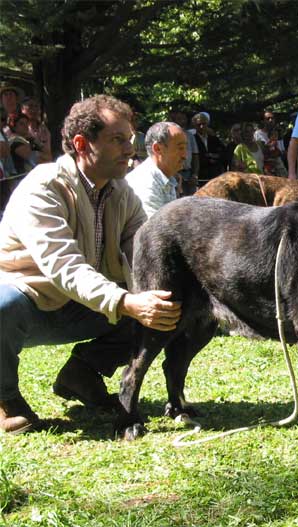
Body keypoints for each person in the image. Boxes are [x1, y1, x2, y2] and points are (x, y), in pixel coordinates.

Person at [0, 95, 181, 435]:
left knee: (159, 306)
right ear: (82, 144)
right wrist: (126, 302)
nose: (130, 149)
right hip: (30, 303)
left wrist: (164, 294)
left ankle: (81, 375)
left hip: (80, 306)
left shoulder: (122, 192)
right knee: (2, 305)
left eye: (131, 140)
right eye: (118, 140)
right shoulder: (42, 187)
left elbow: (144, 250)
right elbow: (63, 265)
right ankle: (5, 399)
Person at [126, 121, 187, 219]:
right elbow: (154, 232)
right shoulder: (145, 183)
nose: (185, 155)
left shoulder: (166, 179)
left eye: (185, 148)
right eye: (180, 148)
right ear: (158, 148)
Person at [168, 108, 199, 196]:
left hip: (188, 174)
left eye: (183, 118)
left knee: (191, 200)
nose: (181, 121)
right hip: (174, 173)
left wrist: (195, 175)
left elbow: (195, 157)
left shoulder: (190, 136)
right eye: (178, 118)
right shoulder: (169, 136)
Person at [191, 111, 226, 188]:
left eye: (204, 124)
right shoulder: (192, 139)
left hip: (215, 175)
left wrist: (213, 157)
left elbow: (223, 154)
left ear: (207, 124)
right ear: (195, 126)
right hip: (201, 176)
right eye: (199, 124)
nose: (201, 126)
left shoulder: (214, 139)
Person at [21, 97, 52, 161]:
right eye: (30, 106)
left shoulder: (44, 130)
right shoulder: (18, 128)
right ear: (22, 109)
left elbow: (48, 154)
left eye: (36, 106)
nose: (34, 110)